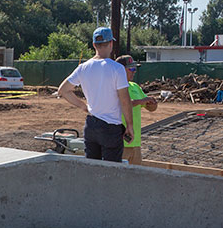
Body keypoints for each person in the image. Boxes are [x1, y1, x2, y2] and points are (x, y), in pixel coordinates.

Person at [56, 26, 133, 162]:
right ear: (111, 44)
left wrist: (83, 106)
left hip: (91, 126)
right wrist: (129, 125)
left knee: (92, 168)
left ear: (94, 45)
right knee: (111, 169)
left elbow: (63, 90)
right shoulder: (117, 68)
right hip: (111, 128)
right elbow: (125, 100)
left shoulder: (83, 68)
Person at [114, 55, 157, 165]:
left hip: (135, 142)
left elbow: (150, 107)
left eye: (135, 69)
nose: (134, 72)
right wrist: (141, 101)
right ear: (120, 70)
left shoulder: (134, 86)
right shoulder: (113, 86)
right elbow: (123, 103)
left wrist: (152, 104)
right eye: (131, 69)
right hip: (120, 143)